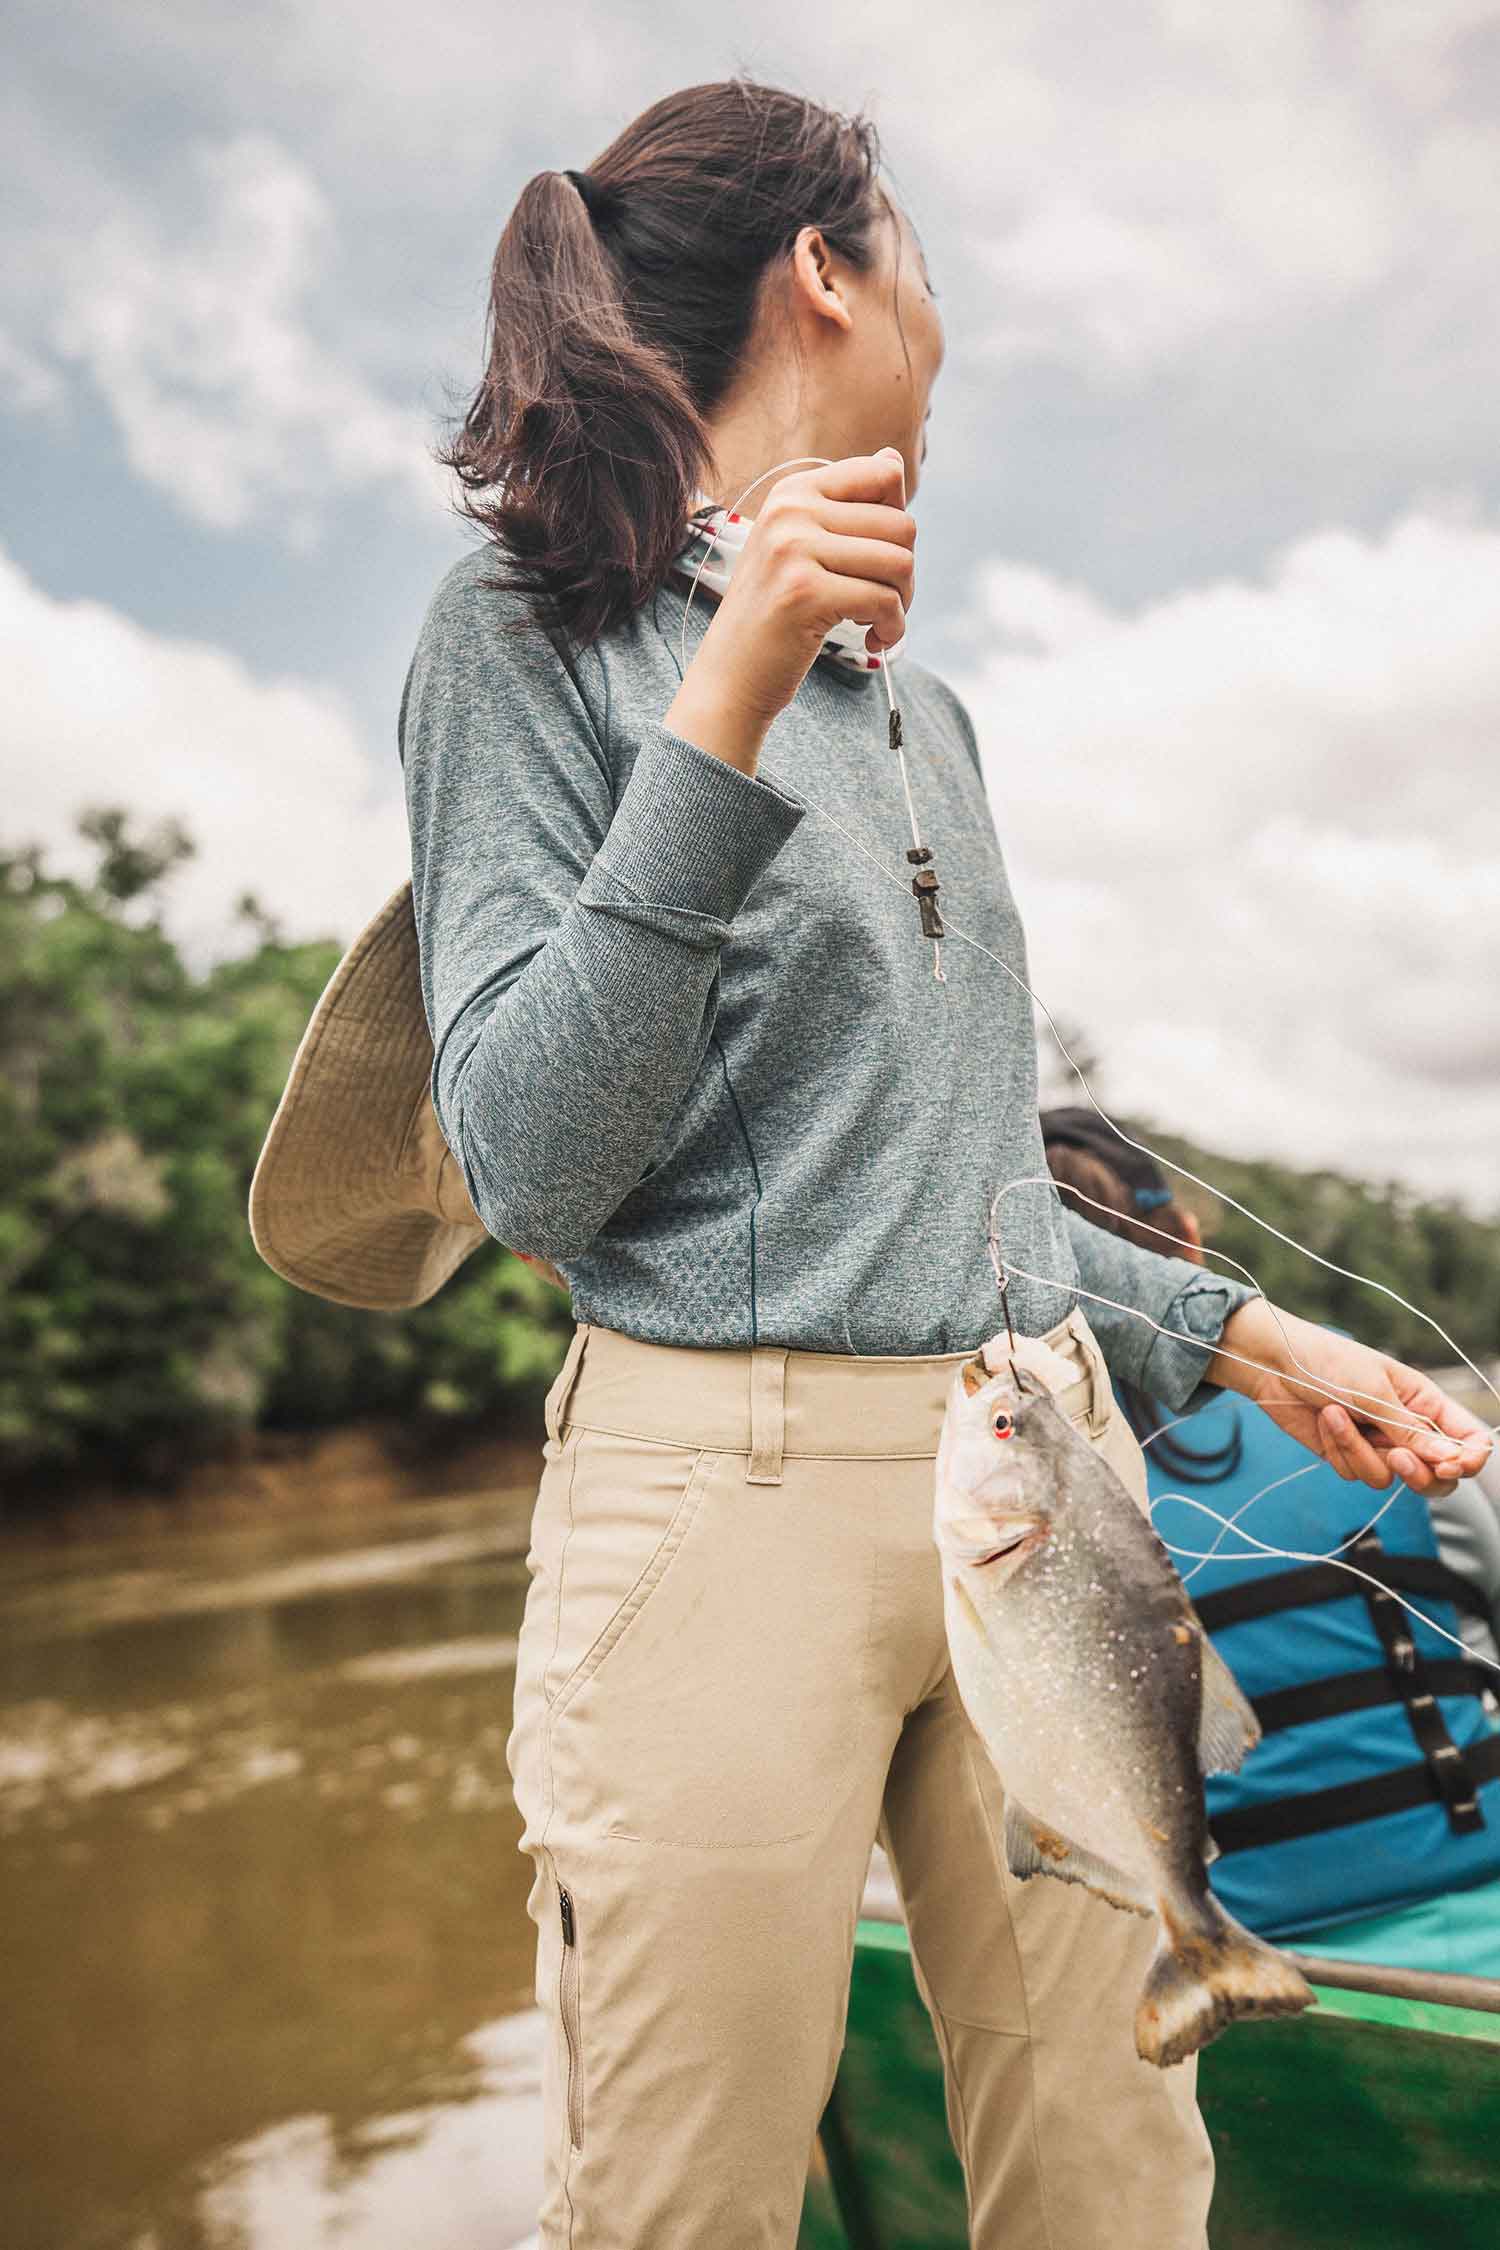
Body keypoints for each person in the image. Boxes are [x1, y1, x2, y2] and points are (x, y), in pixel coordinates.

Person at [393, 79, 1490, 2249]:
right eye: (918, 255)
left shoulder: (934, 718)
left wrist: (1248, 1330)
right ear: (832, 269)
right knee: (679, 2201)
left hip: (1041, 1471)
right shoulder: (516, 641)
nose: (941, 315)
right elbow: (527, 1166)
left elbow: (977, 1196)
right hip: (719, 1498)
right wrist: (726, 692)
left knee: (1114, 2184)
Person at [1042, 1107, 1500, 1979]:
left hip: (1230, 1966)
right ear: (1190, 1248)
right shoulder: (1375, 1417)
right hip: (1477, 1934)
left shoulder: (1027, 1488)